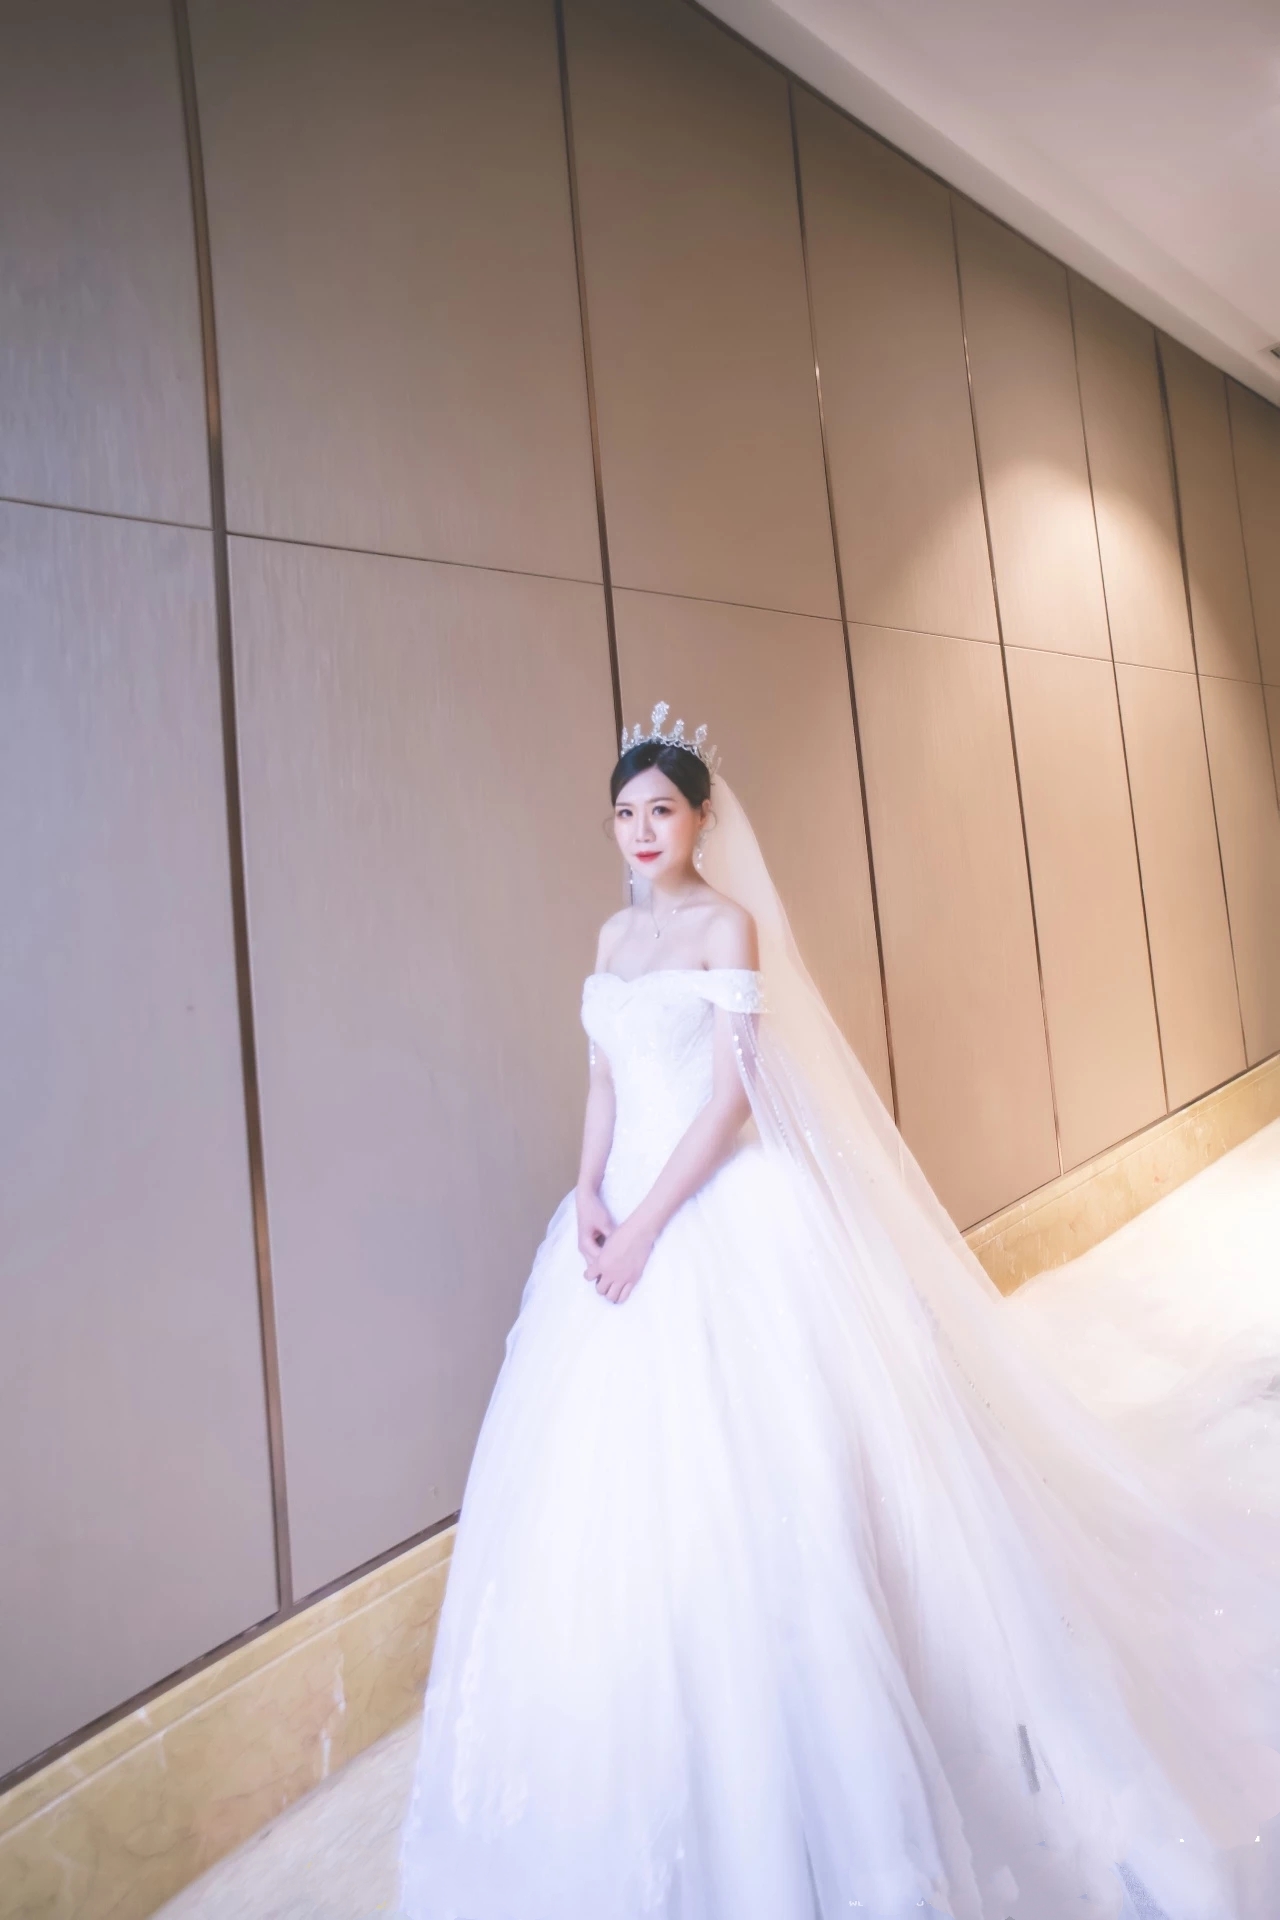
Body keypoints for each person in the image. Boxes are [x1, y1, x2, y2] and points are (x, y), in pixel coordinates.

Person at [399, 706, 1280, 1920]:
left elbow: (728, 1102)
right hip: (614, 1218)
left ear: (701, 818)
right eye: (624, 814)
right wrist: (587, 1194)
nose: (642, 832)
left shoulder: (726, 924)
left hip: (712, 1206)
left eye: (662, 810)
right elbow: (602, 1079)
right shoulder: (611, 936)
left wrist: (647, 1224)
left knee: (774, 1492)